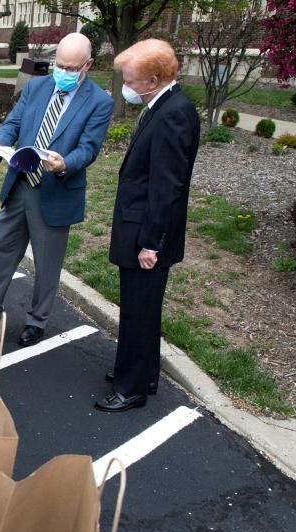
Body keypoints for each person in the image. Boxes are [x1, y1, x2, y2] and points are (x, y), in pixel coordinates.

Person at [0, 32, 113, 347]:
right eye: (60, 64)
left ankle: (36, 322)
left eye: (71, 67)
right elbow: (14, 123)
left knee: (47, 263)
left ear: (88, 66)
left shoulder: (99, 102)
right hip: (20, 184)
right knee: (1, 249)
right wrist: (0, 141)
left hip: (55, 191)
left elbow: (89, 148)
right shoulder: (37, 87)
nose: (63, 72)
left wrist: (64, 163)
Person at [95, 39, 200, 413]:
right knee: (143, 307)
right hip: (142, 228)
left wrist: (151, 244)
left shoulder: (173, 113)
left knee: (138, 310)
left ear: (153, 79)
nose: (126, 85)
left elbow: (166, 185)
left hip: (148, 235)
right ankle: (145, 373)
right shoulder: (164, 105)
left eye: (131, 79)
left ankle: (132, 388)